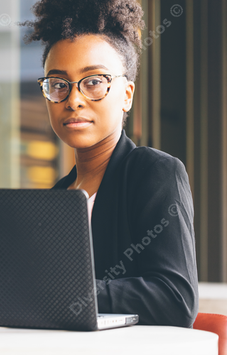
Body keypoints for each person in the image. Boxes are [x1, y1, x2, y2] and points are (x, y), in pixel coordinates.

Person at [21, 0, 199, 327]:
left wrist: (68, 293)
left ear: (127, 94)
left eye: (93, 81)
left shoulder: (154, 172)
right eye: (59, 85)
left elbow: (176, 299)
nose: (73, 99)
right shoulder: (56, 196)